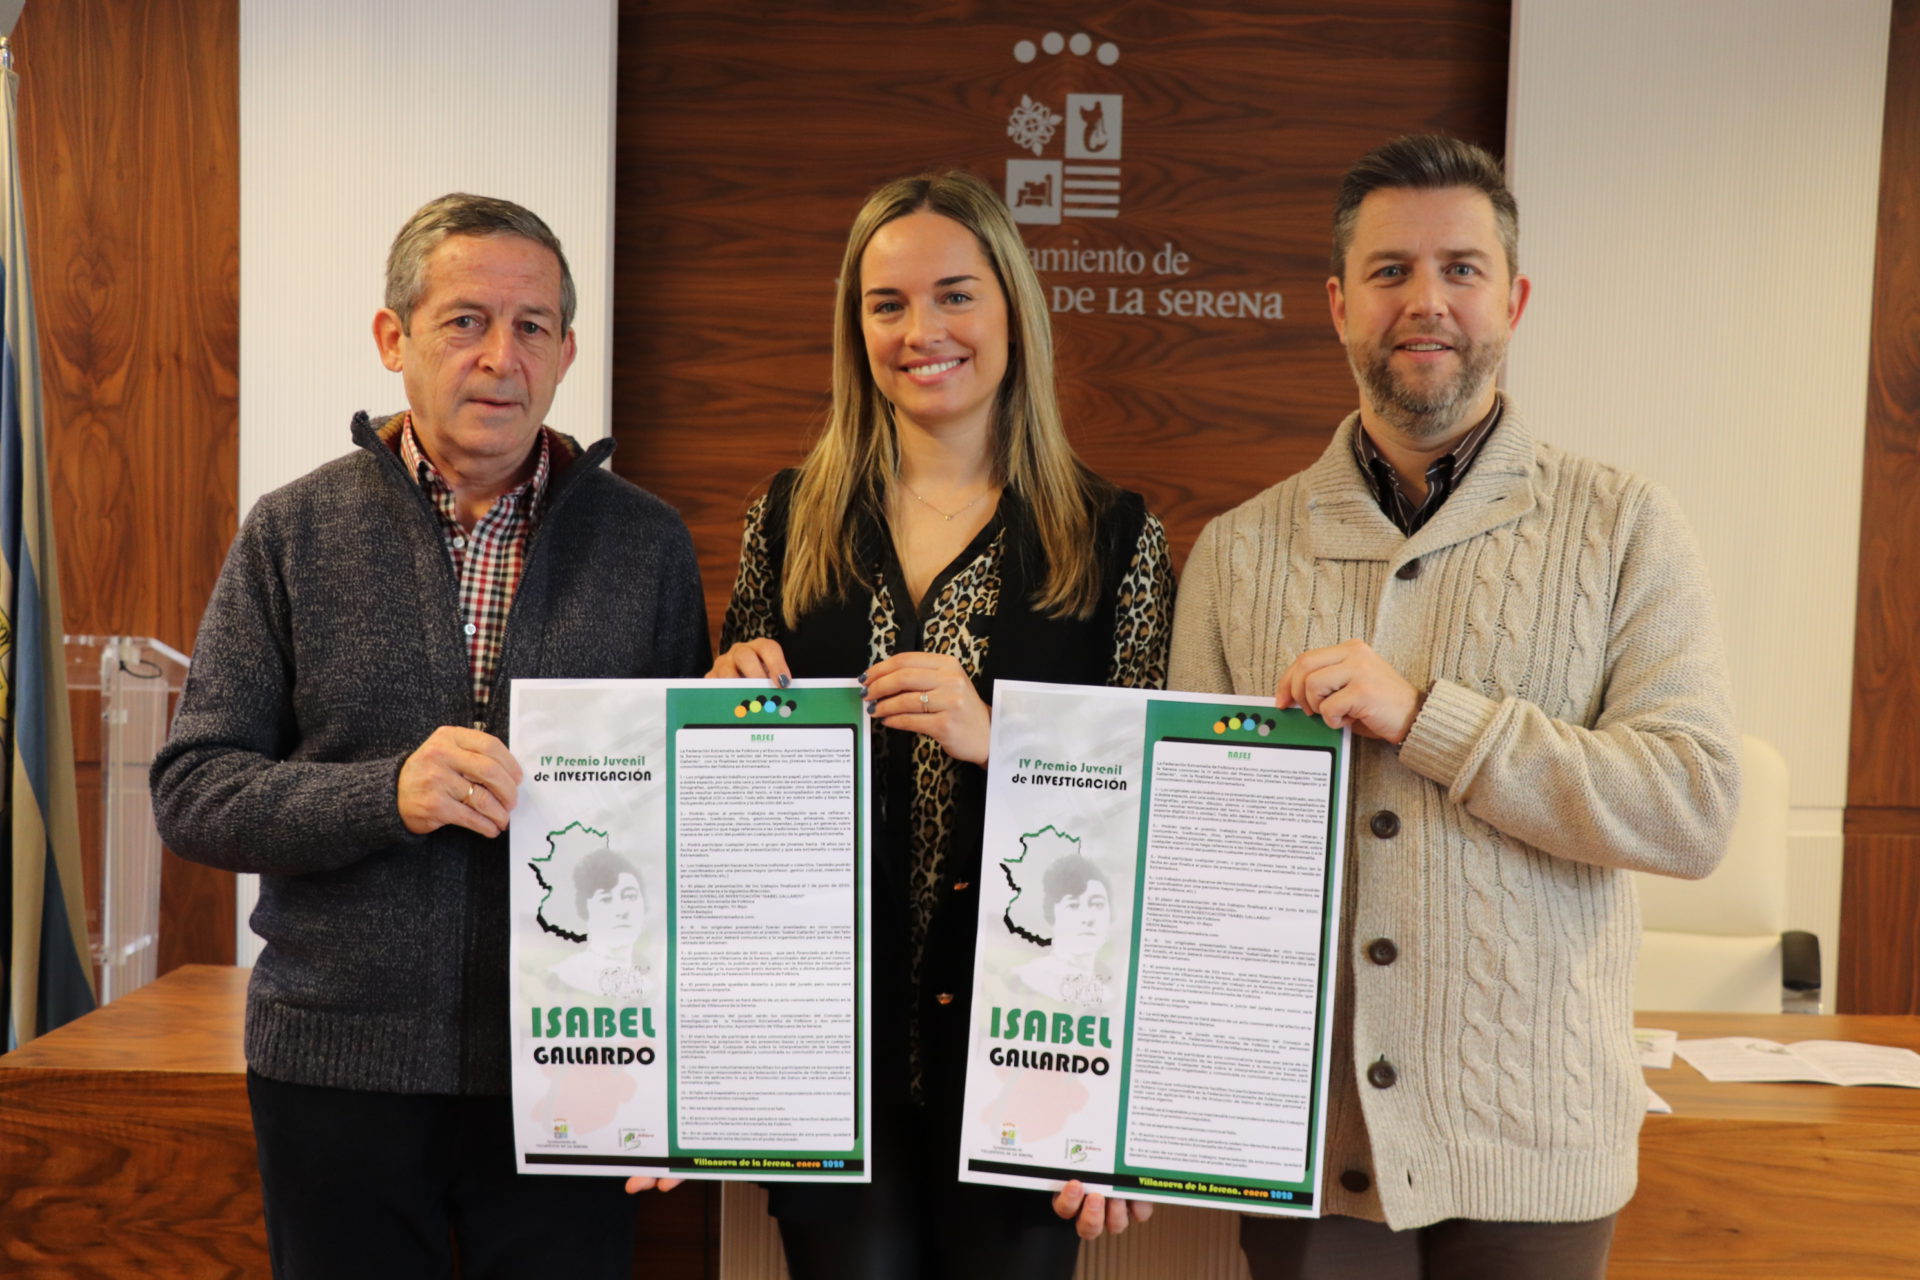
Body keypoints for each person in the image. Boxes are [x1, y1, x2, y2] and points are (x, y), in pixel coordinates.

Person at [1167, 135, 1740, 1280]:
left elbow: (1691, 804)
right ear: (1339, 304)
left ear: (1513, 300)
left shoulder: (1624, 524)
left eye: (1461, 269)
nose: (1425, 300)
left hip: (1537, 1140)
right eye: (1389, 271)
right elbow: (1185, 864)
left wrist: (1431, 715)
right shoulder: (1236, 552)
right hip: (1308, 1148)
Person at [151, 193, 708, 1279]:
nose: (501, 356)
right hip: (337, 1071)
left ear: (567, 352)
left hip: (578, 1068)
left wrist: (681, 1076)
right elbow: (195, 789)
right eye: (465, 321)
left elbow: (685, 830)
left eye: (533, 325)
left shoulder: (646, 545)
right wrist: (385, 794)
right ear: (392, 338)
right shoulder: (292, 530)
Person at [710, 169, 1174, 1279]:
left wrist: (1006, 742)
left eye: (956, 295)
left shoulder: (1114, 538)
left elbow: (1156, 820)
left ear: (1013, 310)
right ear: (856, 328)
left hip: (1032, 1058)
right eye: (888, 304)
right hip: (826, 1058)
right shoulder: (787, 520)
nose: (922, 332)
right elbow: (728, 817)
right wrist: (725, 706)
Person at [1009, 853, 1117, 1010]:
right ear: (1052, 915)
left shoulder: (1107, 996)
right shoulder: (1026, 979)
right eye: (1073, 905)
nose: (1087, 918)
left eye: (1097, 904)